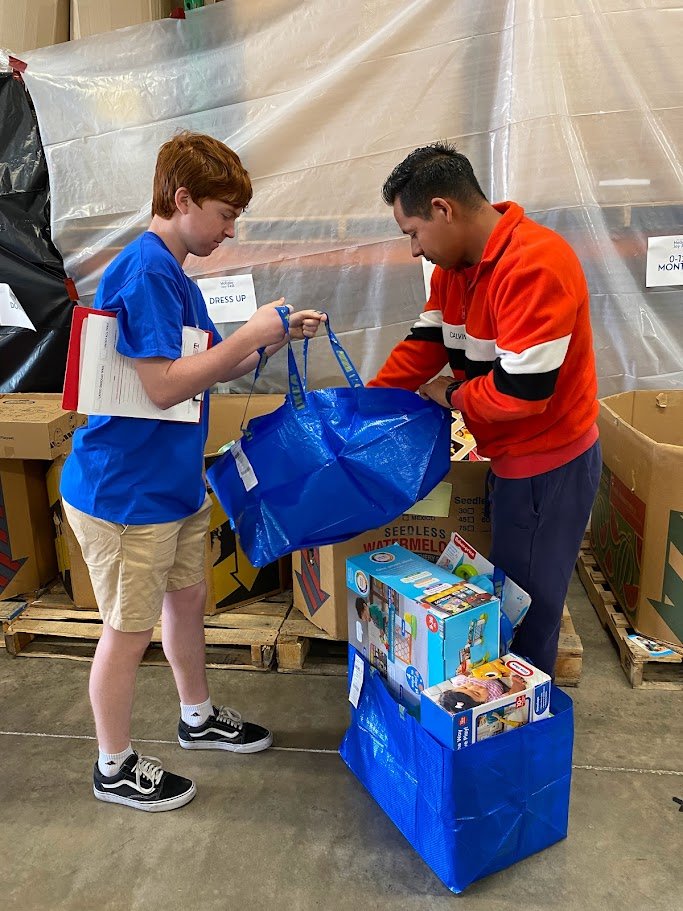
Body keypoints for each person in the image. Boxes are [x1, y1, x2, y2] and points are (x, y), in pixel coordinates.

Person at [60, 131, 326, 812]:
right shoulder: (145, 271)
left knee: (187, 601)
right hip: (125, 492)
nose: (230, 230)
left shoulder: (171, 272)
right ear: (182, 199)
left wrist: (272, 335)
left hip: (170, 482)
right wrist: (244, 339)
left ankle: (196, 713)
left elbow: (209, 364)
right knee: (126, 629)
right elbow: (162, 386)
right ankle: (112, 763)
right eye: (223, 213)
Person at [369, 142, 601, 678]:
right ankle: (501, 710)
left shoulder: (536, 264)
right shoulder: (457, 269)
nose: (413, 250)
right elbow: (424, 345)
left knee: (529, 615)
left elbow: (522, 393)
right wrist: (367, 408)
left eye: (412, 233)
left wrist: (448, 396)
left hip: (550, 465)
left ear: (444, 210)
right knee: (509, 596)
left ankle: (518, 723)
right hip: (511, 463)